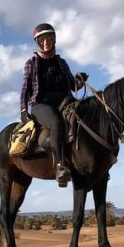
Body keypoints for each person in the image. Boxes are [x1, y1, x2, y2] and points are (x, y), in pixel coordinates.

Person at [19, 22, 88, 186]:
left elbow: (73, 86)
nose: (45, 42)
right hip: (41, 105)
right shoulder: (32, 63)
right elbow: (25, 88)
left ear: (54, 40)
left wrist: (81, 80)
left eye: (48, 38)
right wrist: (23, 109)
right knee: (56, 123)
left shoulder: (61, 62)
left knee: (87, 114)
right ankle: (61, 166)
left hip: (64, 101)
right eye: (41, 40)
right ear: (37, 43)